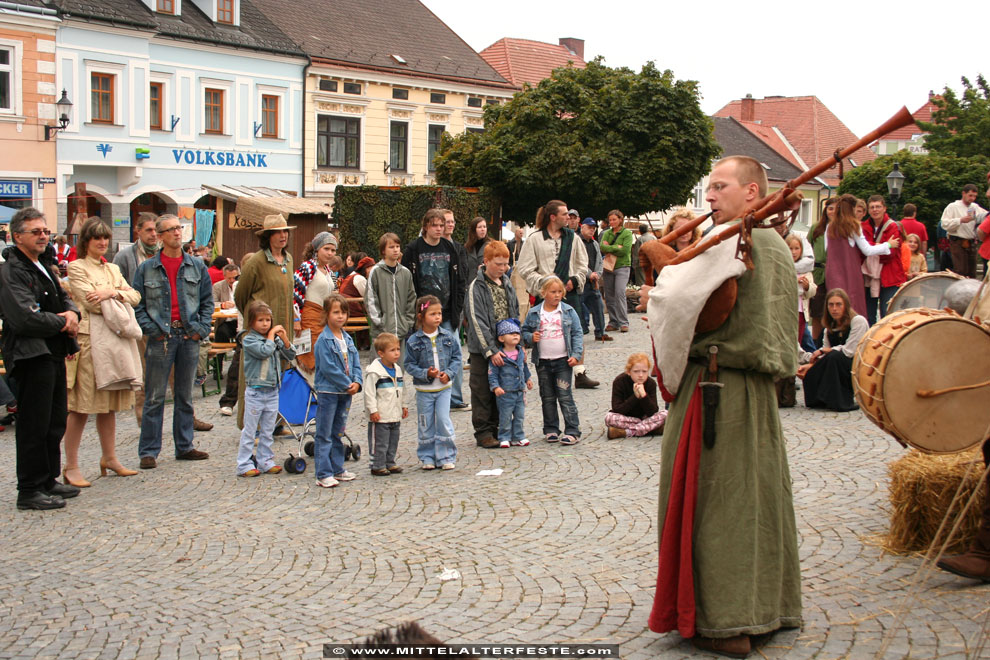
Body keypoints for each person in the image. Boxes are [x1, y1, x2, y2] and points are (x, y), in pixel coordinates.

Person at [646, 155, 802, 657]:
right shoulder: (775, 244)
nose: (708, 197)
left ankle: (727, 621)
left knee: (719, 505)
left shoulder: (736, 240)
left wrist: (657, 263)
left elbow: (675, 306)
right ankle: (765, 608)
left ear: (753, 192)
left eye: (719, 187)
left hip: (714, 391)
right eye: (708, 188)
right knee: (756, 499)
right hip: (756, 392)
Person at [0, 208, 81, 510]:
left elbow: (64, 297)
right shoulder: (12, 270)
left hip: (53, 350)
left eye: (45, 231)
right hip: (30, 353)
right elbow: (23, 317)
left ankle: (48, 478)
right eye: (35, 232)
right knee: (34, 423)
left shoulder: (45, 264)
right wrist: (63, 322)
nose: (43, 236)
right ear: (17, 236)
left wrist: (71, 314)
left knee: (54, 419)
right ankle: (29, 489)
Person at [61, 218, 142, 487]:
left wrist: (112, 293)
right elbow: (90, 302)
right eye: (97, 238)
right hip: (88, 343)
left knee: (109, 405)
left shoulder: (113, 269)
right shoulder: (76, 267)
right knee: (81, 407)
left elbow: (135, 296)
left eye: (105, 238)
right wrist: (116, 294)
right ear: (86, 241)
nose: (103, 243)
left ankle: (110, 457)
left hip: (114, 341)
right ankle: (71, 465)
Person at [133, 214, 213, 469]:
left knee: (185, 395)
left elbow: (207, 300)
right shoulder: (147, 268)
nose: (177, 233)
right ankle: (148, 451)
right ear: (160, 236)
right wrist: (151, 330)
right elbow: (139, 304)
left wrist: (200, 329)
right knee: (155, 396)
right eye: (171, 230)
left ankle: (185, 446)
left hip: (188, 335)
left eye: (179, 228)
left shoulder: (196, 265)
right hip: (161, 337)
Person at [516, 200, 598, 389]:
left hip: (569, 292)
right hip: (545, 294)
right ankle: (548, 370)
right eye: (564, 214)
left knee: (575, 331)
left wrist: (574, 281)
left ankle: (579, 373)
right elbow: (525, 268)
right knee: (547, 332)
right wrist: (545, 284)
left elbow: (582, 264)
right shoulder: (536, 239)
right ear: (553, 217)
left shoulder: (573, 238)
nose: (568, 217)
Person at [402, 209, 467, 409]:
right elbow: (408, 282)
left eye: (442, 225)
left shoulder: (450, 248)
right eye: (435, 225)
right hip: (423, 310)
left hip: (447, 311)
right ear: (426, 227)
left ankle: (455, 397)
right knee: (423, 352)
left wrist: (457, 307)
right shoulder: (414, 249)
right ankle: (427, 391)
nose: (439, 229)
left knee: (453, 350)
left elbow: (459, 280)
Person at [235, 214, 296, 428]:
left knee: (280, 374)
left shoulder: (288, 260)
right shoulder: (256, 262)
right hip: (260, 331)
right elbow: (241, 296)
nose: (283, 235)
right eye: (278, 232)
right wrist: (255, 320)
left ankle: (276, 422)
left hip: (282, 328)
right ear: (268, 236)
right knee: (256, 376)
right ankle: (251, 424)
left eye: (285, 231)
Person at [464, 240, 519, 449]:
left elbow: (514, 312)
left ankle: (500, 428)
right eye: (498, 264)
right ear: (486, 262)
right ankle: (484, 431)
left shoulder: (507, 283)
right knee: (482, 390)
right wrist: (490, 350)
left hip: (505, 347)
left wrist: (515, 339)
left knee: (503, 387)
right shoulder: (476, 287)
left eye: (505, 264)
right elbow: (477, 321)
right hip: (482, 350)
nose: (502, 268)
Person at [521, 276, 583, 446]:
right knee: (547, 397)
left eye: (559, 292)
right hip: (543, 362)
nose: (557, 295)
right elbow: (524, 331)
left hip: (563, 360)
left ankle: (572, 430)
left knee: (564, 395)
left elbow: (577, 333)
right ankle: (551, 429)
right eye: (553, 292)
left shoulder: (568, 311)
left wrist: (576, 354)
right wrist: (530, 337)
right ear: (543, 293)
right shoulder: (535, 312)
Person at [237, 301, 295, 477]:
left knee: (268, 430)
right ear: (251, 322)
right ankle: (244, 464)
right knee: (250, 430)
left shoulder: (273, 339)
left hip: (272, 391)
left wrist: (284, 339)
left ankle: (265, 460)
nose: (265, 324)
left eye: (268, 320)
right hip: (256, 391)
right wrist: (271, 336)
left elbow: (291, 355)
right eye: (260, 320)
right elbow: (264, 351)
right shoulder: (249, 340)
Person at [404, 295, 460, 471]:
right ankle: (427, 456)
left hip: (443, 388)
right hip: (424, 389)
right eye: (433, 314)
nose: (437, 317)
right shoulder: (413, 341)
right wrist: (425, 373)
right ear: (421, 317)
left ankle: (446, 455)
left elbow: (457, 358)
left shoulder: (448, 337)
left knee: (443, 420)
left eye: (439, 313)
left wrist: (449, 374)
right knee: (425, 423)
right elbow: (409, 364)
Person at [313, 293, 361, 488]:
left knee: (338, 432)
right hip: (329, 392)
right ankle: (323, 472)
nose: (340, 316)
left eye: (343, 312)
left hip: (345, 392)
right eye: (335, 312)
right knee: (324, 432)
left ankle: (337, 468)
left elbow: (356, 362)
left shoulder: (347, 338)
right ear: (327, 314)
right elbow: (328, 368)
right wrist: (346, 383)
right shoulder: (323, 340)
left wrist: (357, 381)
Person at [824, 194, 897, 320]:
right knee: (853, 307)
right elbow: (867, 250)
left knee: (835, 307)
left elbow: (827, 249)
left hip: (832, 272)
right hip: (850, 272)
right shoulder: (854, 226)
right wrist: (888, 245)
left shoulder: (830, 227)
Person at [797, 288, 866, 412]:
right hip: (835, 362)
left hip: (856, 366)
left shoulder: (858, 322)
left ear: (845, 305)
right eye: (831, 305)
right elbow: (825, 355)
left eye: (838, 304)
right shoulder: (828, 328)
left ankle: (842, 402)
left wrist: (825, 351)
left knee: (834, 357)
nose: (834, 308)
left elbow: (850, 351)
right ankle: (820, 399)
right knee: (816, 368)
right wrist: (812, 365)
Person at [363, 332, 408, 477]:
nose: (396, 353)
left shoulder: (398, 369)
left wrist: (404, 405)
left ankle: (390, 462)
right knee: (380, 442)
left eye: (398, 349)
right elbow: (369, 393)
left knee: (393, 440)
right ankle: (378, 464)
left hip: (394, 413)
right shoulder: (375, 372)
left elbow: (402, 389)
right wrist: (373, 410)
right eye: (392, 350)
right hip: (381, 415)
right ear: (381, 353)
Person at [292, 231, 338, 372]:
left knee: (325, 354)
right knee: (311, 356)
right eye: (326, 249)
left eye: (333, 250)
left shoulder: (328, 270)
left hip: (324, 317)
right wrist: (296, 319)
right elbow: (294, 293)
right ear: (316, 249)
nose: (330, 253)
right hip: (309, 317)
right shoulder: (307, 267)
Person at [487, 318, 532, 449]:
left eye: (517, 333)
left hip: (519, 391)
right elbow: (492, 372)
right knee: (505, 417)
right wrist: (495, 387)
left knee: (519, 416)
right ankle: (504, 437)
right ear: (501, 338)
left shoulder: (520, 352)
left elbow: (524, 367)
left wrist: (528, 379)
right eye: (511, 333)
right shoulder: (499, 355)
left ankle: (518, 436)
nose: (515, 335)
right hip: (505, 392)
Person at [365, 232, 417, 345]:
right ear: (383, 250)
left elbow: (411, 298)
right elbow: (370, 299)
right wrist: (380, 322)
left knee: (401, 362)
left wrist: (407, 322)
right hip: (381, 334)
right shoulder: (376, 272)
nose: (395, 250)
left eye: (397, 246)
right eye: (391, 247)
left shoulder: (405, 273)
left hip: (402, 332)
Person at [862, 195, 907, 323]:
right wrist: (883, 245)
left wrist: (871, 247)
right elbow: (863, 251)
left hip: (890, 276)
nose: (875, 210)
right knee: (868, 316)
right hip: (869, 276)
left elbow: (890, 254)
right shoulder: (864, 226)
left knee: (888, 315)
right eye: (872, 207)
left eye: (878, 207)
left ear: (884, 208)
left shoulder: (893, 227)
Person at [605, 352, 666, 439]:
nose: (641, 375)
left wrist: (644, 396)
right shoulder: (619, 381)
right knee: (609, 418)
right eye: (636, 371)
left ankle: (627, 432)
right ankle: (649, 429)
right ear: (629, 372)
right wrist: (635, 397)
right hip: (626, 418)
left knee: (665, 414)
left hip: (645, 417)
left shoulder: (651, 383)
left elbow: (653, 411)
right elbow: (617, 409)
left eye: (644, 371)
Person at [599, 209, 634, 333]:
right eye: (610, 220)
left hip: (622, 266)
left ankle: (623, 322)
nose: (612, 222)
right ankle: (613, 321)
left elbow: (625, 250)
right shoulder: (607, 233)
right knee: (609, 295)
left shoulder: (627, 233)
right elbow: (602, 247)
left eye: (614, 219)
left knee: (619, 293)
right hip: (609, 267)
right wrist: (615, 247)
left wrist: (610, 248)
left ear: (620, 219)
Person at [941, 184, 985, 279]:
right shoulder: (953, 207)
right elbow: (944, 224)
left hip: (971, 242)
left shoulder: (975, 207)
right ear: (963, 193)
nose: (972, 198)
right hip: (957, 242)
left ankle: (971, 293)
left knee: (972, 271)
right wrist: (960, 220)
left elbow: (986, 217)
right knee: (961, 271)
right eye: (970, 195)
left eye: (974, 196)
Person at [808, 198, 835, 345]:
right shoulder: (816, 228)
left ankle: (829, 341)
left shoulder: (841, 228)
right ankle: (815, 342)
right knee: (817, 311)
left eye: (836, 209)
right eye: (830, 208)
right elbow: (807, 246)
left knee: (832, 308)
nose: (833, 212)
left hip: (834, 273)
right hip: (818, 273)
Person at [579, 217, 610, 342]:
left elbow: (600, 261)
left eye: (593, 228)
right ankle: (579, 333)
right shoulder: (577, 242)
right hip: (581, 281)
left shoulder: (595, 244)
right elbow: (578, 262)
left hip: (593, 282)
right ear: (583, 227)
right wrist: (589, 274)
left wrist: (597, 274)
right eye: (589, 228)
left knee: (598, 307)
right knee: (578, 309)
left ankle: (600, 332)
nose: (592, 230)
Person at [786, 233, 817, 345]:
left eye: (797, 248)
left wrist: (807, 286)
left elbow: (813, 291)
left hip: (801, 312)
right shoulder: (783, 267)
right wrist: (795, 282)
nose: (793, 252)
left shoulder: (806, 270)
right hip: (786, 311)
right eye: (790, 249)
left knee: (798, 341)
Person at [113, 212, 159, 284]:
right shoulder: (124, 256)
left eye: (156, 230)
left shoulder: (166, 253)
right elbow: (116, 285)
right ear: (138, 230)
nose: (154, 234)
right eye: (149, 230)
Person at [212, 263, 240, 345]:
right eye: (229, 278)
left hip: (240, 321)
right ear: (224, 277)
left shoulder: (242, 286)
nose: (232, 281)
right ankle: (220, 356)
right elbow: (211, 304)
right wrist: (222, 305)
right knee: (221, 332)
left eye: (234, 278)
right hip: (225, 321)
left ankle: (238, 355)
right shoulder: (218, 287)